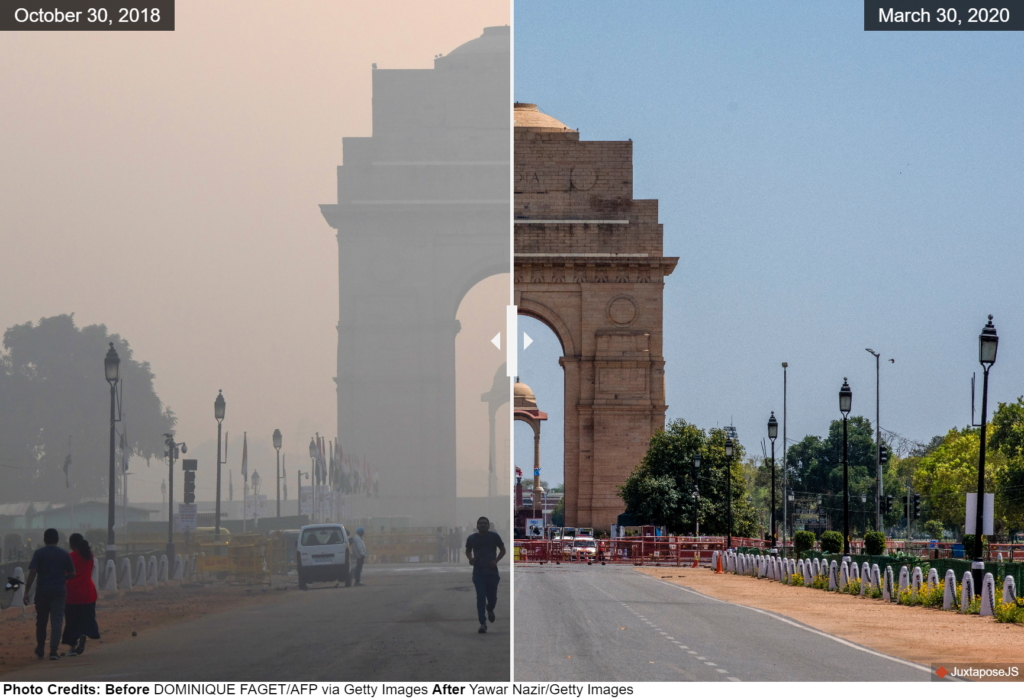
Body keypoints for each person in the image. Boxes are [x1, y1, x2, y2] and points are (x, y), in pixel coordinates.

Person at [24, 528, 75, 660]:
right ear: (57, 540)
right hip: (59, 591)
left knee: (41, 621)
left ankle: (40, 648)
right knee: (56, 621)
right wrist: (61, 579)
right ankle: (53, 650)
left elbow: (33, 572)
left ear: (45, 539)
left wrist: (26, 592)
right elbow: (72, 573)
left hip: (42, 592)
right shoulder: (64, 554)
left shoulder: (39, 553)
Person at [465, 516, 505, 634]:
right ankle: (483, 623)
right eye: (480, 523)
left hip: (491, 572)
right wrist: (470, 558)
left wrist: (496, 561)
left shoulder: (494, 536)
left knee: (492, 598)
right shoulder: (472, 538)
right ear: (477, 526)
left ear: (488, 525)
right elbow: (468, 550)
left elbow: (503, 550)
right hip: (478, 573)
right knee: (480, 598)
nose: (482, 525)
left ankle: (490, 608)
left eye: (485, 523)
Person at [61, 534, 100, 656]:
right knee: (87, 616)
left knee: (71, 619)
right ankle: (84, 634)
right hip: (88, 591)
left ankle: (73, 646)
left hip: (72, 592)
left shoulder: (69, 556)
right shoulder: (89, 556)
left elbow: (64, 572)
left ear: (71, 544)